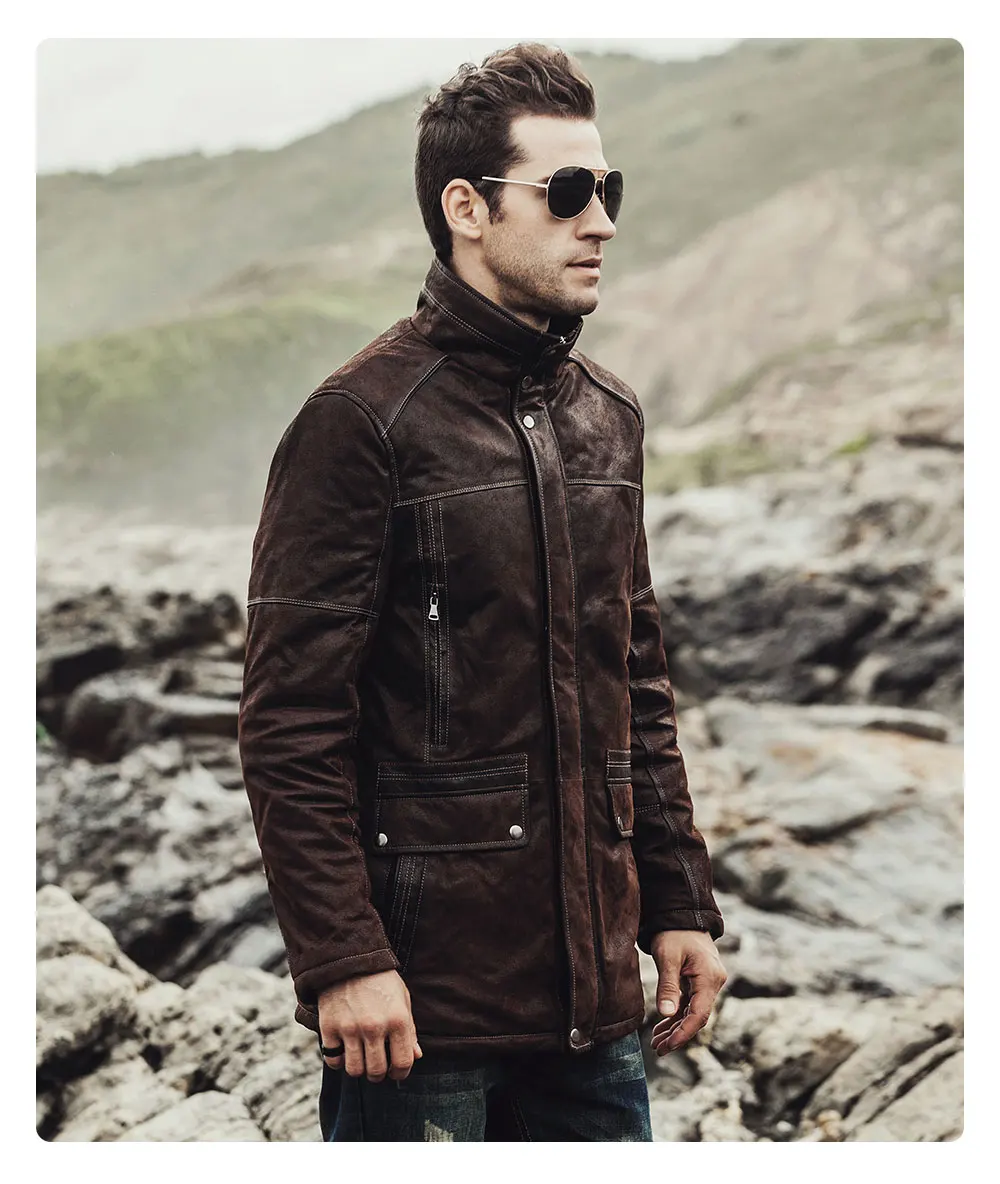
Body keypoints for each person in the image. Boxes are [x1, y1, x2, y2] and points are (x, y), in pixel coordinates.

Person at [238, 42, 726, 1143]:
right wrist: (343, 958)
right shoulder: (361, 422)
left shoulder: (609, 416)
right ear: (466, 207)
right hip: (422, 1020)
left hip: (597, 1014)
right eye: (566, 191)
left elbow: (636, 686)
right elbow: (290, 720)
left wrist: (679, 900)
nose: (599, 221)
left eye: (608, 189)